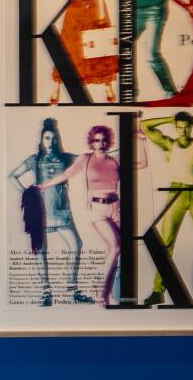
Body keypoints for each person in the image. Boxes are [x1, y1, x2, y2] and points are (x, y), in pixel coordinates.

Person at [36, 124, 136, 304]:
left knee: (115, 252)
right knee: (116, 247)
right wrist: (43, 185)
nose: (101, 143)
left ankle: (109, 295)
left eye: (104, 140)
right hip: (97, 208)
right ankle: (101, 290)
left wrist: (142, 140)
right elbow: (66, 175)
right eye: (97, 140)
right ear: (92, 142)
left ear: (109, 141)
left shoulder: (115, 160)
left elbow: (142, 163)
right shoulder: (86, 159)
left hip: (116, 206)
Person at [139, 111, 193, 305]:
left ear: (190, 127)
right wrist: (169, 118)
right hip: (176, 193)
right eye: (179, 127)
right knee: (166, 244)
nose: (183, 130)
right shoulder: (169, 144)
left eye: (186, 126)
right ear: (176, 127)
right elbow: (145, 126)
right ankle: (158, 291)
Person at [9, 117, 89, 306]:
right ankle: (46, 292)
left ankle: (73, 289)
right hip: (40, 214)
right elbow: (12, 176)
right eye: (47, 138)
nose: (50, 142)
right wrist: (28, 195)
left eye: (53, 138)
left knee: (76, 246)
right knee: (40, 251)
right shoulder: (35, 160)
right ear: (41, 140)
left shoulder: (65, 158)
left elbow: (88, 159)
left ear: (57, 139)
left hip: (61, 212)